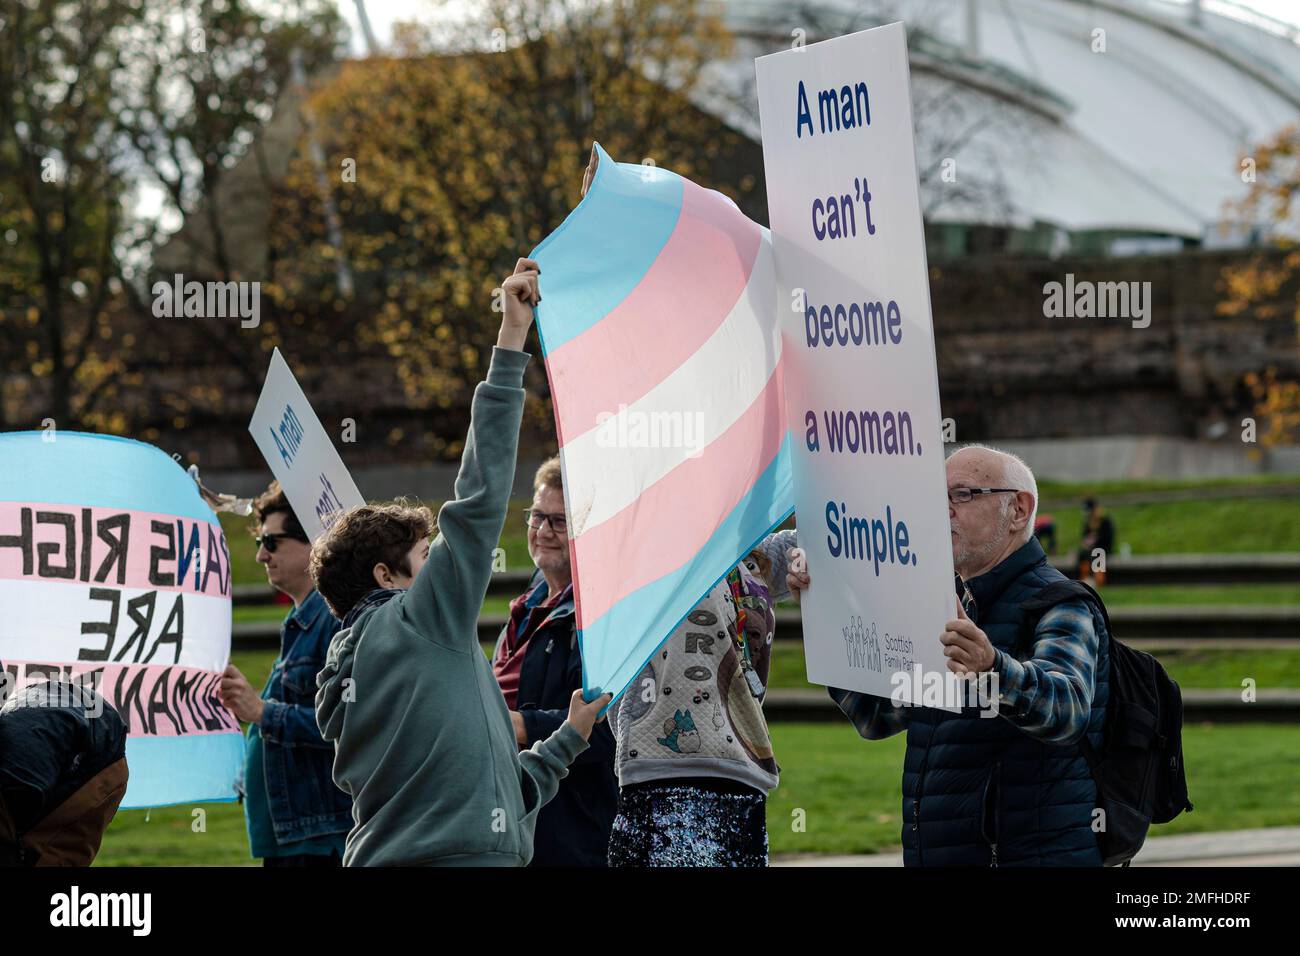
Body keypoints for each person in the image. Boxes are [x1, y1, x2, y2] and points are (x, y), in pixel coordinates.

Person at [312, 257, 611, 867]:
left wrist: (570, 738)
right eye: (427, 556)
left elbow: (501, 796)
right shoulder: (420, 621)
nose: (443, 567)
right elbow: (478, 500)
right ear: (387, 578)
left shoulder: (366, 671)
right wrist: (511, 336)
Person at [789, 445, 1110, 866]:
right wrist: (824, 611)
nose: (942, 511)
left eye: (961, 495)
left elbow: (1066, 711)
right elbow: (875, 715)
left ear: (1018, 509)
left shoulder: (1060, 602)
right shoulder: (937, 606)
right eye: (933, 498)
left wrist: (991, 669)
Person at [606, 528, 798, 867]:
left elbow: (828, 526)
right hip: (660, 782)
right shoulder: (643, 549)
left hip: (742, 780)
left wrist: (804, 562)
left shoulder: (751, 554)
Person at [492, 456, 617, 866]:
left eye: (559, 522)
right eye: (537, 517)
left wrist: (519, 725)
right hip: (508, 817)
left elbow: (610, 731)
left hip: (567, 833)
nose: (543, 532)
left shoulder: (601, 614)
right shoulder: (527, 604)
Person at [218, 483, 351, 866]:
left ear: (313, 542)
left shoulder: (333, 621)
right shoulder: (302, 620)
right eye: (260, 541)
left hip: (320, 841)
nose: (260, 555)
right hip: (299, 838)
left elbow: (348, 727)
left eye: (272, 542)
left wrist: (261, 712)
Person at [1077, 497, 1115, 586]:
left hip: (1102, 547)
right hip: (1090, 548)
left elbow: (1108, 538)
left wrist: (1096, 539)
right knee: (1082, 554)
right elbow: (1084, 536)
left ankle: (1099, 580)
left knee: (1097, 552)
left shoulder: (1105, 521)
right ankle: (1084, 578)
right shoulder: (1087, 522)